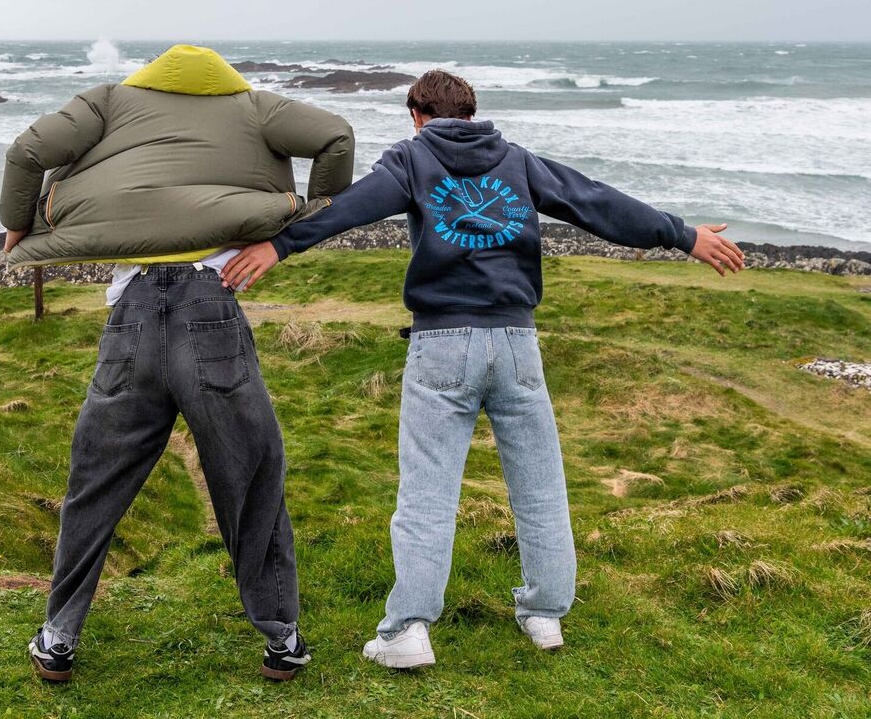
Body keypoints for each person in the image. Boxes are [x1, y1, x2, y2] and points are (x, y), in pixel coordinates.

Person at [221, 69, 743, 669]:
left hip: (442, 342)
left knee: (427, 493)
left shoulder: (412, 159)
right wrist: (683, 235)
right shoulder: (517, 161)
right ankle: (545, 614)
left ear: (416, 115)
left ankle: (408, 631)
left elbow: (351, 208)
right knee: (540, 486)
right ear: (473, 114)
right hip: (518, 343)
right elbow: (595, 201)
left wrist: (279, 244)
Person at [0, 44, 354, 681]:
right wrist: (302, 226)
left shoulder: (108, 102)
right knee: (251, 474)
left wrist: (18, 227)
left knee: (95, 482)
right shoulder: (254, 107)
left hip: (131, 314)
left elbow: (27, 153)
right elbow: (335, 136)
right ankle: (282, 638)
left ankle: (58, 636)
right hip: (209, 308)